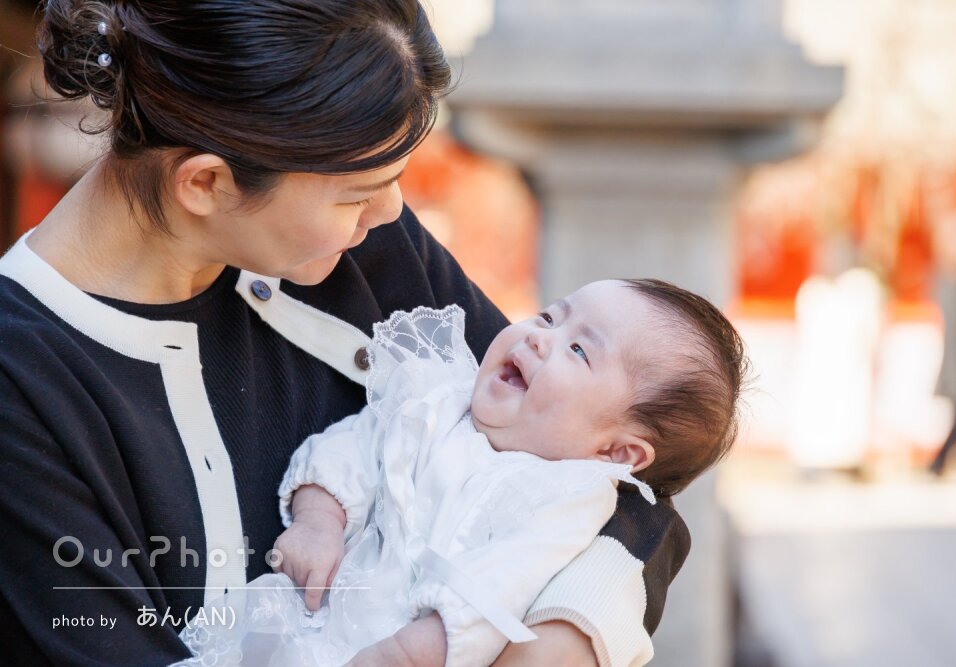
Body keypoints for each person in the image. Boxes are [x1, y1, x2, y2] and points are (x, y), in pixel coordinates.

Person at [0, 1, 690, 665]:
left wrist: (571, 629)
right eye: (359, 193)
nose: (389, 212)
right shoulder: (24, 384)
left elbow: (615, 481)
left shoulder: (355, 244)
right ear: (207, 183)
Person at [173, 279, 747, 666]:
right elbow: (351, 448)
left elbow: (509, 577)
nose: (539, 336)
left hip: (414, 646)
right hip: (312, 614)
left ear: (617, 454)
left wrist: (416, 648)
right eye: (550, 316)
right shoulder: (435, 400)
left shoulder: (571, 499)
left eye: (579, 351)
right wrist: (318, 520)